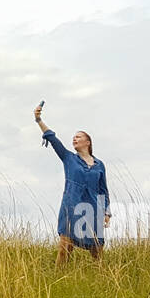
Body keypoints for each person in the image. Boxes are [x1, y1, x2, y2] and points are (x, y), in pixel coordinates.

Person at [34, 101, 110, 265]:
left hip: (93, 210)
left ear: (87, 142)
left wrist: (106, 213)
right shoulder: (69, 158)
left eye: (79, 136)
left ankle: (101, 283)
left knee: (97, 253)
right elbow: (53, 139)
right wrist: (39, 120)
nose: (74, 138)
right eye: (73, 137)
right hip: (71, 208)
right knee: (64, 249)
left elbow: (103, 190)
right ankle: (58, 281)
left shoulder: (99, 165)